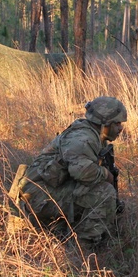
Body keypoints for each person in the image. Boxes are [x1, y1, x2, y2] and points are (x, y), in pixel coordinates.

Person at [11, 96, 127, 247]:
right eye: (117, 123)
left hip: (49, 188)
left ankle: (63, 227)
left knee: (100, 192)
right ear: (104, 123)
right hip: (36, 196)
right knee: (104, 193)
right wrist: (106, 175)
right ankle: (84, 247)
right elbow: (83, 173)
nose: (120, 128)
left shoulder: (94, 134)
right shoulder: (82, 139)